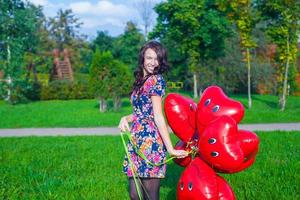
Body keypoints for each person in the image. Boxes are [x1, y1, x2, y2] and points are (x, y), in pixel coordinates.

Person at [118, 40, 188, 200]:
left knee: (150, 196)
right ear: (142, 58)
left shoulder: (155, 80)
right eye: (149, 58)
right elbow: (141, 113)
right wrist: (125, 118)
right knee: (134, 194)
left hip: (150, 143)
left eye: (157, 59)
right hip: (136, 141)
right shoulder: (140, 81)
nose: (153, 63)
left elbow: (157, 116)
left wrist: (170, 148)